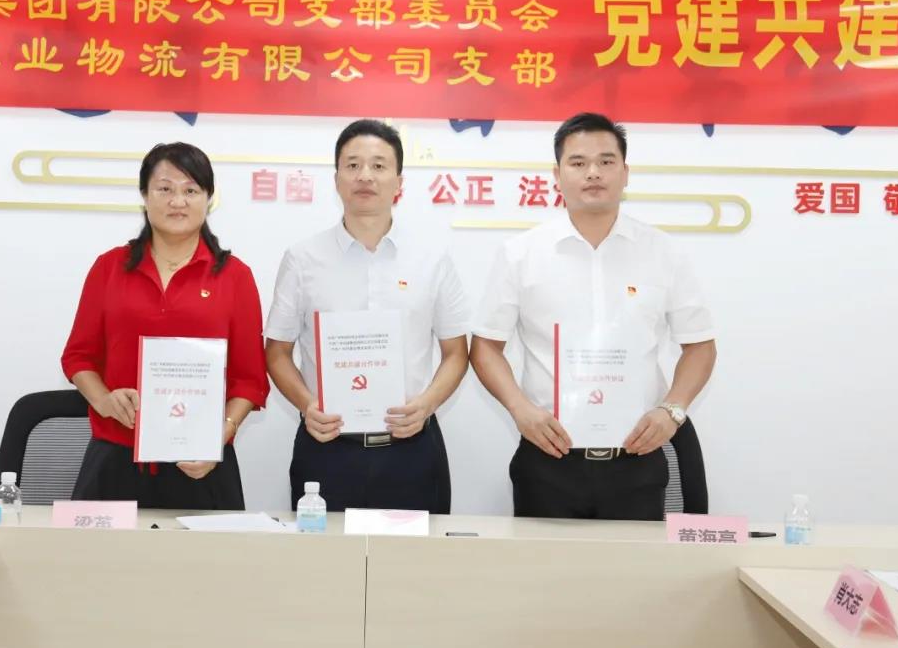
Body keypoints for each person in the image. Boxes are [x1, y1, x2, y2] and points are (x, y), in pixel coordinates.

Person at [470, 113, 717, 520]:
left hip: (638, 454)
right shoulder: (521, 254)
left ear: (625, 173)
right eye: (578, 162)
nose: (593, 173)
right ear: (557, 175)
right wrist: (520, 409)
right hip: (549, 455)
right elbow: (485, 347)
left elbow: (700, 346)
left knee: (638, 563)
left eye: (606, 161)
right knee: (545, 563)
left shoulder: (664, 252)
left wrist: (672, 411)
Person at [265, 119, 469, 513]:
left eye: (378, 165)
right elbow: (277, 352)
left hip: (412, 449)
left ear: (399, 182)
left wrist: (426, 405)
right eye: (353, 165)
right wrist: (307, 405)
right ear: (336, 179)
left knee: (414, 554)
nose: (365, 176)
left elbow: (456, 352)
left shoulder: (431, 259)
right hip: (327, 448)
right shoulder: (303, 258)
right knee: (323, 554)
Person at [61, 142, 268, 509]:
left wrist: (223, 432)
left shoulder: (234, 277)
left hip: (203, 463)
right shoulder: (109, 268)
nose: (178, 201)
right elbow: (79, 357)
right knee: (100, 550)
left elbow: (249, 379)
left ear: (208, 199)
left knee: (208, 550)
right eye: (165, 189)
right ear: (144, 196)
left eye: (191, 190)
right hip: (116, 459)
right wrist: (104, 400)